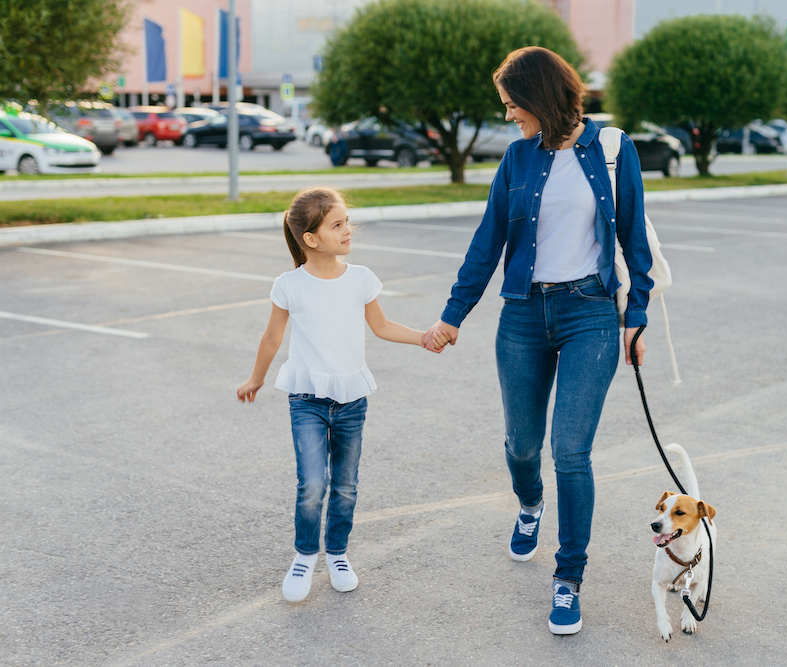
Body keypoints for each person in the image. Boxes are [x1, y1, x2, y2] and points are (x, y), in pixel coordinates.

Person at [422, 46, 653, 635]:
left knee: (570, 451)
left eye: (511, 105)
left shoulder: (611, 150)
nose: (507, 117)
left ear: (540, 97)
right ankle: (530, 504)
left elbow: (633, 238)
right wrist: (454, 314)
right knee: (523, 447)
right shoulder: (519, 158)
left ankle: (568, 578)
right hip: (523, 314)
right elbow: (488, 239)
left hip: (591, 315)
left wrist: (638, 316)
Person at [238, 186, 448, 602]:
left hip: (352, 399)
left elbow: (383, 327)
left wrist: (423, 337)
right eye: (337, 225)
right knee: (312, 484)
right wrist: (257, 378)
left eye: (347, 221)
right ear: (311, 239)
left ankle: (337, 552)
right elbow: (272, 337)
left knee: (346, 485)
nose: (348, 229)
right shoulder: (289, 285)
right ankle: (304, 555)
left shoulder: (362, 279)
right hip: (307, 399)